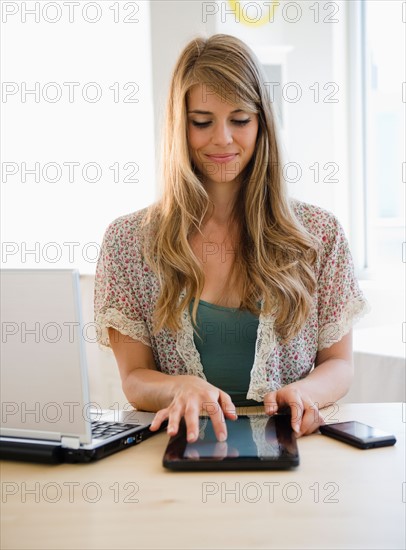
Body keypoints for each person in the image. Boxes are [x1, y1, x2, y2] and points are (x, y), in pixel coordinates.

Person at [94, 34, 369, 444]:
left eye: (240, 119)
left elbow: (339, 364)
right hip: (176, 449)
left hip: (294, 449)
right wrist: (177, 387)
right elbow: (134, 378)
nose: (222, 138)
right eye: (202, 121)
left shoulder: (319, 235)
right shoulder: (127, 242)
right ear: (179, 125)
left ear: (262, 124)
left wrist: (306, 393)